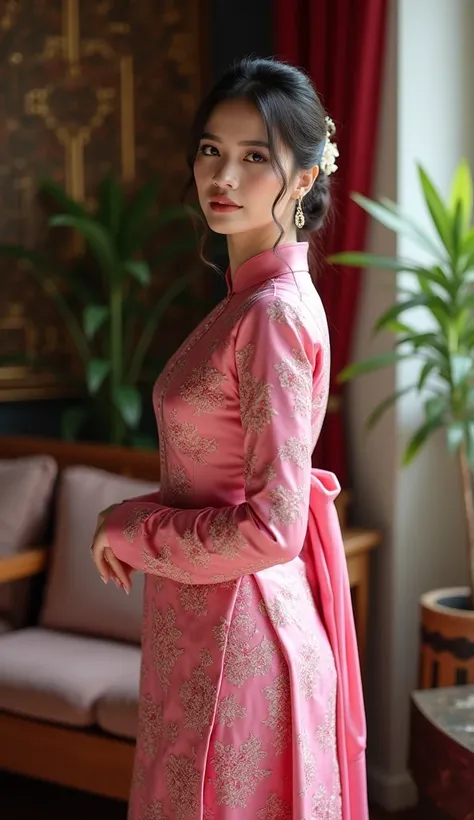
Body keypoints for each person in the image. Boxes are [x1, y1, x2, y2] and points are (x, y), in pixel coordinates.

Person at [91, 56, 367, 820]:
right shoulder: (252, 304)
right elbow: (225, 483)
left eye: (256, 158)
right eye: (213, 149)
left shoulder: (271, 314)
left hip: (239, 644)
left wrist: (133, 528)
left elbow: (273, 528)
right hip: (211, 628)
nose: (226, 176)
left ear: (305, 179)